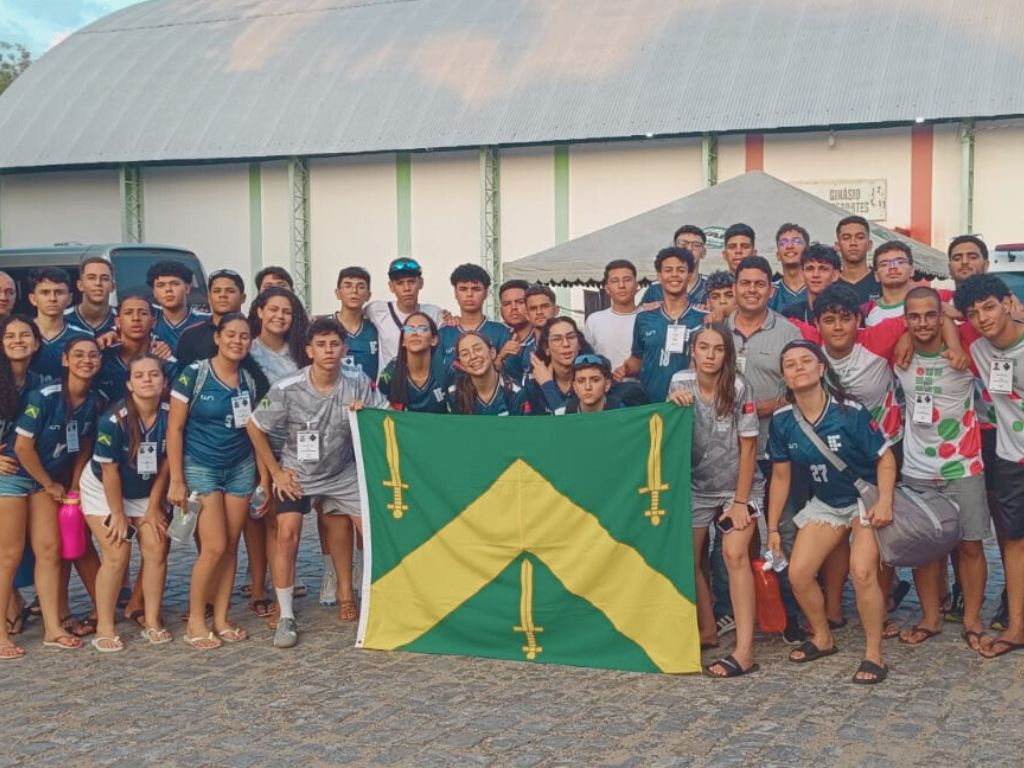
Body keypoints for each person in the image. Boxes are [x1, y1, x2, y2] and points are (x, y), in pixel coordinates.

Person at [248, 318, 387, 647]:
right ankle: (285, 614)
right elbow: (254, 426)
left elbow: (384, 416)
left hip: (342, 472)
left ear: (344, 349)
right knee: (287, 534)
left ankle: (370, 599)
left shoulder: (357, 381)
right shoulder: (287, 387)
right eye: (321, 345)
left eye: (334, 344)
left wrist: (365, 413)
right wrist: (276, 473)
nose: (328, 351)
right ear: (309, 351)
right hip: (298, 473)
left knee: (372, 532)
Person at [767, 340, 896, 684]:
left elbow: (885, 457)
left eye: (806, 361)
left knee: (862, 571)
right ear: (784, 376)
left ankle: (874, 654)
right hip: (826, 501)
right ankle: (822, 637)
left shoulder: (849, 412)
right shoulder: (782, 420)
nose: (798, 368)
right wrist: (773, 528)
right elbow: (780, 477)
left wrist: (885, 500)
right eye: (790, 364)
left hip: (862, 498)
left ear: (821, 368)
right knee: (799, 573)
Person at [894, 287, 988, 650]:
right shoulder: (897, 353)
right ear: (904, 320)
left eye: (930, 315)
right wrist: (905, 335)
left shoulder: (965, 351)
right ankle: (930, 618)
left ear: (941, 316)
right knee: (926, 550)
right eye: (914, 317)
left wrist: (954, 331)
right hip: (918, 468)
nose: (922, 323)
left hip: (964, 466)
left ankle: (973, 620)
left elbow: (990, 324)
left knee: (970, 546)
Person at [668, 324, 761, 677]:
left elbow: (749, 447)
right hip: (697, 485)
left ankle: (745, 651)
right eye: (703, 347)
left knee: (734, 554)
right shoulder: (679, 381)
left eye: (718, 349)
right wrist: (672, 404)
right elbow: (671, 429)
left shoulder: (739, 386)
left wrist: (740, 502)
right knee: (687, 557)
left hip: (740, 486)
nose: (710, 354)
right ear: (692, 350)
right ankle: (707, 629)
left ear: (727, 354)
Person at [722, 255, 803, 642]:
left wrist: (769, 405)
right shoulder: (718, 330)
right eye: (745, 283)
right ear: (734, 288)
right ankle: (736, 609)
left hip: (776, 447)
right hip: (729, 453)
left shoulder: (787, 331)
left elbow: (801, 384)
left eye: (759, 284)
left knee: (782, 529)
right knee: (734, 532)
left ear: (770, 290)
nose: (751, 290)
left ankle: (789, 612)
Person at [168, 313, 259, 650]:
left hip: (240, 466)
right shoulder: (194, 374)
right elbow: (174, 428)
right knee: (214, 546)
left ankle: (221, 618)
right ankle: (196, 619)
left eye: (244, 336)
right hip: (201, 465)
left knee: (232, 545)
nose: (237, 341)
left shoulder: (249, 379)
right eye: (231, 334)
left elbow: (254, 429)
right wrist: (176, 479)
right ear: (218, 338)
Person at [14, 335, 102, 650]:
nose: (86, 360)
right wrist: (49, 484)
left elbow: (85, 445)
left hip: (55, 480)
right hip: (22, 475)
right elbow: (22, 447)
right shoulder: (44, 396)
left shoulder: (94, 400)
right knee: (12, 554)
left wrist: (76, 483)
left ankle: (55, 624)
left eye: (93, 355)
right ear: (65, 360)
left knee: (53, 548)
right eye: (78, 355)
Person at [81, 354, 173, 651]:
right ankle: (105, 627)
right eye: (139, 375)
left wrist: (154, 507)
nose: (147, 380)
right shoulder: (113, 419)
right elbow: (109, 472)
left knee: (156, 546)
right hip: (104, 489)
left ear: (164, 381)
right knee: (117, 552)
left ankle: (152, 620)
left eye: (154, 374)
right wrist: (118, 514)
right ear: (129, 384)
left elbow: (167, 464)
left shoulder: (171, 414)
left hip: (146, 488)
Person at [954, 274, 1024, 658]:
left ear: (1008, 303)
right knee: (1013, 540)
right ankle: (1016, 627)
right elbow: (940, 313)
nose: (982, 317)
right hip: (1011, 456)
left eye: (990, 307)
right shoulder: (979, 348)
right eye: (973, 312)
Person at [244, 287, 311, 618]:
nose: (279, 316)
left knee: (281, 521)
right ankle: (258, 587)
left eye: (286, 311)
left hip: (295, 448)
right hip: (255, 443)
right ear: (259, 311)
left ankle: (280, 585)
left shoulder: (300, 350)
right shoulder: (247, 350)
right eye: (273, 309)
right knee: (259, 517)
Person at [0, 315, 43, 658]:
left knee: (45, 548)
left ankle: (48, 617)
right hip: (6, 474)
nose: (18, 340)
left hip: (34, 473)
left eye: (25, 335)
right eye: (10, 336)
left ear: (37, 342)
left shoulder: (41, 382)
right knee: (9, 554)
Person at [614, 247, 707, 402]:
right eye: (668, 270)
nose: (674, 275)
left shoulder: (704, 318)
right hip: (651, 404)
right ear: (659, 276)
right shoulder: (644, 317)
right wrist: (625, 369)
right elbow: (637, 359)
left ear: (690, 275)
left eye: (681, 270)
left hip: (689, 404)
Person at [176, 269, 269, 399]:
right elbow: (181, 383)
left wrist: (265, 408)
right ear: (209, 297)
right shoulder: (190, 335)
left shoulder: (257, 332)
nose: (223, 295)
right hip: (202, 407)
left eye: (230, 291)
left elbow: (267, 392)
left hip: (254, 405)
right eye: (217, 291)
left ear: (243, 298)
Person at [363, 258, 443, 372]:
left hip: (423, 380)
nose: (407, 288)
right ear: (391, 286)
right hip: (388, 382)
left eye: (411, 282)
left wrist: (453, 319)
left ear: (421, 283)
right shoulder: (377, 310)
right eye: (400, 283)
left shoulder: (434, 313)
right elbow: (353, 318)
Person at [94, 295, 177, 404]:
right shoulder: (103, 358)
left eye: (143, 313)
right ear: (117, 322)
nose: (136, 318)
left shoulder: (166, 360)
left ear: (153, 322)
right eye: (128, 313)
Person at [438, 264, 510, 373]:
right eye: (463, 289)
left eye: (476, 289)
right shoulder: (443, 334)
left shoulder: (501, 332)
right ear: (455, 293)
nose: (469, 294)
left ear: (486, 293)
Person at [377, 312, 449, 413]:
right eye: (409, 329)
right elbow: (376, 409)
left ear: (434, 340)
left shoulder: (446, 372)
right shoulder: (390, 373)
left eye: (422, 329)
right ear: (403, 341)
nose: (414, 333)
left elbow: (458, 415)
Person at [448, 332, 529, 415]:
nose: (473, 356)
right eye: (465, 354)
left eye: (478, 349)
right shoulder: (455, 392)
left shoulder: (515, 393)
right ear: (460, 364)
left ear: (492, 353)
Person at [527, 317, 594, 415]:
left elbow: (571, 421)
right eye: (557, 339)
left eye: (571, 337)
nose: (566, 344)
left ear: (579, 344)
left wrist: (547, 386)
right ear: (546, 348)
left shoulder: (592, 380)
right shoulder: (533, 384)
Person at [584, 260, 639, 370]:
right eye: (615, 281)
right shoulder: (594, 320)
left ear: (637, 285)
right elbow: (587, 358)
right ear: (607, 288)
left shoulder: (650, 317)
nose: (621, 285)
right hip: (607, 380)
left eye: (627, 280)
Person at [145, 260, 209, 352]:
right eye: (161, 285)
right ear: (154, 292)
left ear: (187, 288)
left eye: (175, 284)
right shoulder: (147, 319)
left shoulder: (206, 321)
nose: (168, 289)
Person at [641, 225, 709, 307]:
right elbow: (639, 312)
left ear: (703, 252)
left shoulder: (712, 286)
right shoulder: (656, 288)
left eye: (696, 245)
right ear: (674, 248)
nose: (689, 248)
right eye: (683, 244)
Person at [27, 268, 77, 379]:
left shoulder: (81, 337)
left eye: (59, 292)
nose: (52, 298)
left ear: (69, 299)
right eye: (45, 292)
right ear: (33, 299)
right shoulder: (18, 336)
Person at [332, 267, 379, 381]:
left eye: (361, 287)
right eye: (348, 286)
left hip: (370, 391)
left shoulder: (376, 328)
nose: (354, 291)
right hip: (334, 391)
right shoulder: (324, 327)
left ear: (368, 295)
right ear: (338, 293)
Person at [781, 244, 842, 323]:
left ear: (835, 275)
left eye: (823, 269)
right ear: (802, 274)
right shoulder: (790, 315)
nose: (815, 275)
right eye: (810, 269)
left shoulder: (847, 313)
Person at [864, 242, 915, 326]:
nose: (892, 267)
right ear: (876, 275)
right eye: (884, 264)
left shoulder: (928, 304)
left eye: (900, 262)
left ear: (912, 270)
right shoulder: (866, 311)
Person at [65, 257, 117, 339]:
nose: (98, 283)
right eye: (91, 278)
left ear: (113, 286)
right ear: (80, 285)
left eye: (104, 279)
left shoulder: (123, 320)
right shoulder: (63, 319)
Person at [835, 215, 881, 302]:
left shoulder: (881, 282)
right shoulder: (829, 285)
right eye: (846, 238)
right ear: (837, 245)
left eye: (860, 237)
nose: (853, 243)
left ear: (869, 245)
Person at [496, 279, 533, 382]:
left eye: (520, 302)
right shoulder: (496, 338)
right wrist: (500, 357)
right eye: (507, 304)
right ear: (501, 311)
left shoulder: (544, 337)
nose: (513, 308)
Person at [769, 223, 809, 313]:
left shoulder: (818, 287)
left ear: (807, 251)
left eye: (796, 241)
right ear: (778, 255)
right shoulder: (769, 292)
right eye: (783, 243)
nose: (789, 246)